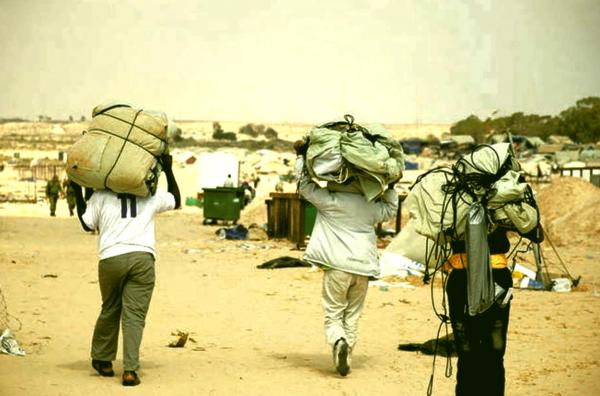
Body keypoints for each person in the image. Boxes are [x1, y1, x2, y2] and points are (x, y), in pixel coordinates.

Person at [72, 153, 181, 387]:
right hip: (142, 258)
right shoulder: (149, 195)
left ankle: (103, 360)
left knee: (110, 307)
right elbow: (176, 200)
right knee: (134, 316)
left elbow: (86, 223)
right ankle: (130, 370)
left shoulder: (101, 195)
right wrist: (168, 170)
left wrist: (77, 190)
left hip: (111, 258)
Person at [294, 140, 399, 376]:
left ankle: (338, 341)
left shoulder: (331, 201)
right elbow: (391, 209)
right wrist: (392, 185)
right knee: (352, 313)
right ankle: (347, 355)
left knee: (333, 313)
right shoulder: (369, 206)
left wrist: (301, 156)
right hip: (364, 268)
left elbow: (304, 185)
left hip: (337, 267)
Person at [445, 223, 544, 396]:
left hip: (461, 278)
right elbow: (536, 233)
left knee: (468, 354)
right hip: (496, 278)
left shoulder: (452, 197)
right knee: (493, 354)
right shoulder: (501, 199)